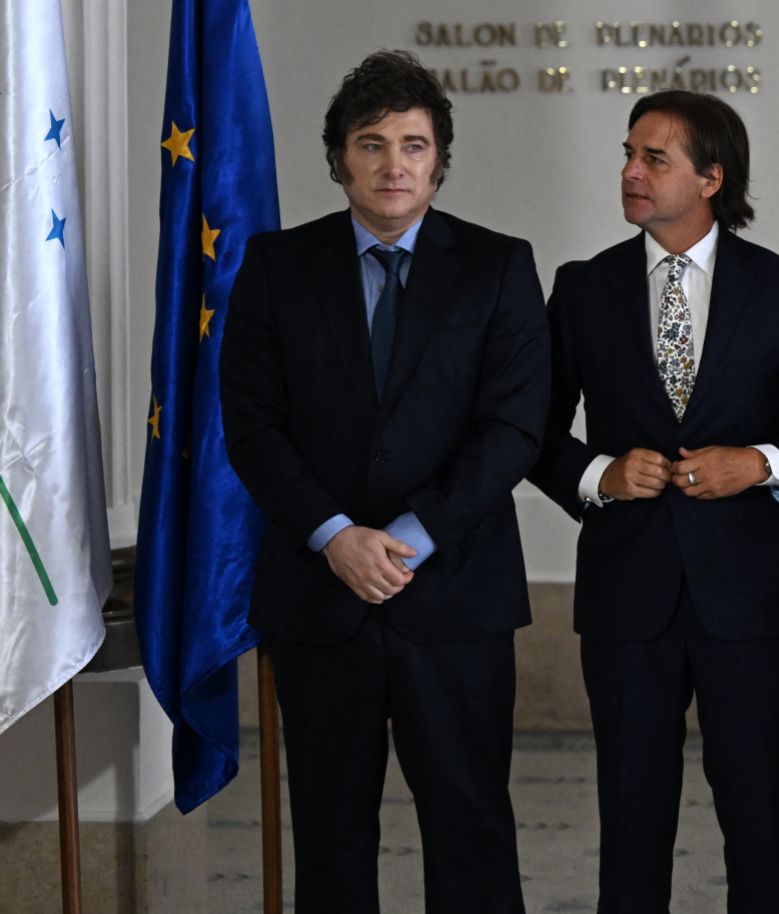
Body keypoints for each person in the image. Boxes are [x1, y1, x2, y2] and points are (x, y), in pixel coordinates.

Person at [220, 50, 546, 913]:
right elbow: (252, 426)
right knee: (329, 831)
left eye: (413, 143)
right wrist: (335, 537)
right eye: (372, 144)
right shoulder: (273, 267)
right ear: (340, 160)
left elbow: (513, 427)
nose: (394, 164)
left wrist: (411, 536)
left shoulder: (500, 265)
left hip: (456, 596)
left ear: (440, 159)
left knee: (471, 825)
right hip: (320, 599)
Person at [525, 90, 779, 914]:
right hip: (624, 596)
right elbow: (527, 424)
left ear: (712, 177)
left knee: (758, 820)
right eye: (628, 156)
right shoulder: (583, 287)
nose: (631, 173)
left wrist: (759, 462)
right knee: (631, 819)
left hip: (746, 598)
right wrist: (598, 475)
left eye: (654, 159)